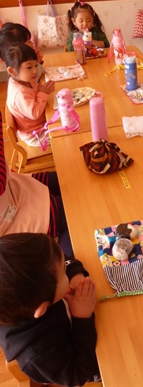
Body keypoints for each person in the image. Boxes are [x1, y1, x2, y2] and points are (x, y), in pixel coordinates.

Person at [0, 232, 99, 385]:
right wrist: (81, 318)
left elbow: (62, 258)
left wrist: (74, 275)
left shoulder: (41, 269)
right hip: (91, 360)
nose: (64, 268)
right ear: (42, 308)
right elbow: (77, 374)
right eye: (63, 274)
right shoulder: (39, 355)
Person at [0, 111, 73, 256]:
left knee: (69, 179)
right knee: (72, 210)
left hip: (13, 190)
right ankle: (68, 266)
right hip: (10, 221)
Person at [3, 43, 54, 147]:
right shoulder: (20, 93)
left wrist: (41, 90)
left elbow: (35, 92)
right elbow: (34, 113)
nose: (35, 71)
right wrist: (43, 93)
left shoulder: (24, 79)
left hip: (41, 125)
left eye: (36, 65)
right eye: (29, 67)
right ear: (12, 71)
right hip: (36, 136)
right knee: (67, 133)